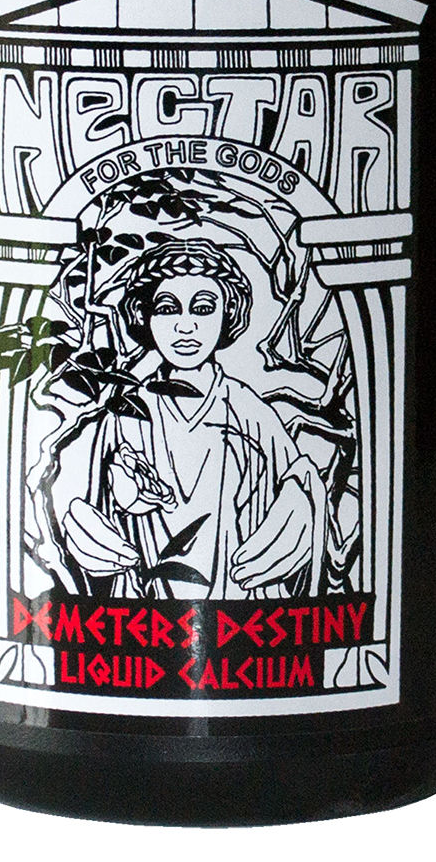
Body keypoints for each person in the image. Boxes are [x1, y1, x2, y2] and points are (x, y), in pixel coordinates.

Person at [60, 238, 327, 599]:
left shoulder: (248, 411)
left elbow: (300, 480)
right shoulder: (124, 413)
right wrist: (83, 528)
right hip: (141, 608)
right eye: (168, 309)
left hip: (239, 604)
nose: (185, 327)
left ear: (228, 314)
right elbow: (84, 499)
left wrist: (299, 512)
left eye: (202, 309)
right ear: (143, 316)